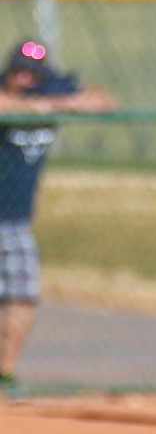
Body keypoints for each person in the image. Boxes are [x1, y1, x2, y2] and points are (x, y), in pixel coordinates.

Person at [0, 39, 114, 391]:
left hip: (17, 220)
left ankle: (5, 373)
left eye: (31, 74)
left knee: (23, 294)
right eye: (18, 72)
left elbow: (103, 100)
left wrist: (52, 103)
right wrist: (41, 106)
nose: (24, 80)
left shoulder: (50, 94)